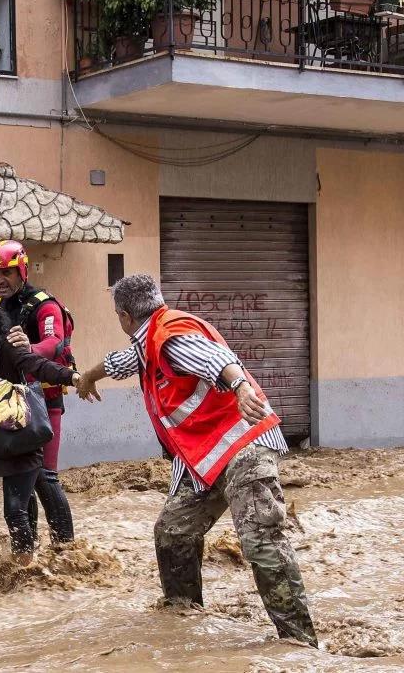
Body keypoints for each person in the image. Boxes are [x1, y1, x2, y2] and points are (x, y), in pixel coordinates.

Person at [76, 274, 317, 647]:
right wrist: (89, 376)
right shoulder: (148, 342)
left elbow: (213, 357)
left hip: (242, 446)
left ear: (124, 316)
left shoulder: (169, 337)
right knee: (173, 532)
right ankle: (184, 621)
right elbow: (122, 361)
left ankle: (299, 643)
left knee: (261, 540)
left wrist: (239, 387)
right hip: (204, 460)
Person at [0, 285, 83, 564]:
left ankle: (25, 575)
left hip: (16, 438)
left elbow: (36, 364)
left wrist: (72, 377)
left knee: (15, 513)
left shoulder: (7, 342)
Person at [0, 239, 79, 545]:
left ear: (22, 271)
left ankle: (65, 545)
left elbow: (54, 342)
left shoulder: (45, 305)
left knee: (44, 475)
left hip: (46, 400)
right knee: (22, 474)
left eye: (6, 273)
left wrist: (29, 349)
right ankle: (32, 543)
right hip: (10, 404)